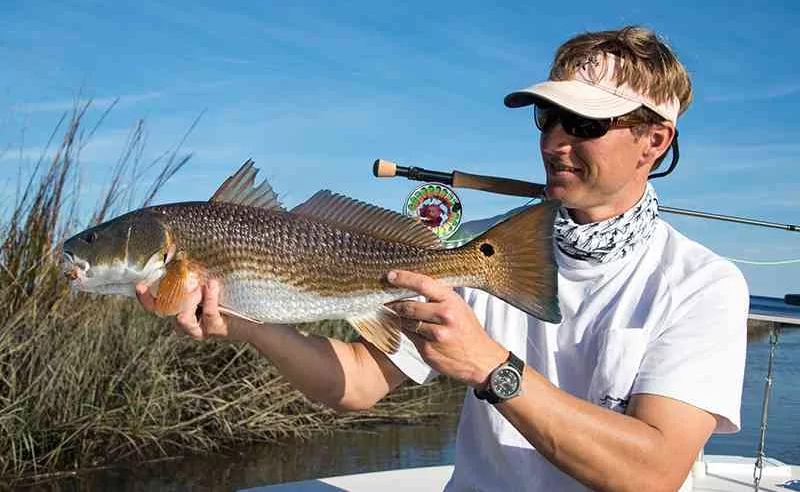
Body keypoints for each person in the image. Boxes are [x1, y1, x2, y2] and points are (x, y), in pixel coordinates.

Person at [136, 26, 749, 492]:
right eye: (548, 116)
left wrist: (491, 367)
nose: (555, 141)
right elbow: (356, 383)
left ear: (655, 139)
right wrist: (241, 319)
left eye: (584, 123)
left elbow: (653, 472)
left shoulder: (702, 284)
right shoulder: (472, 249)